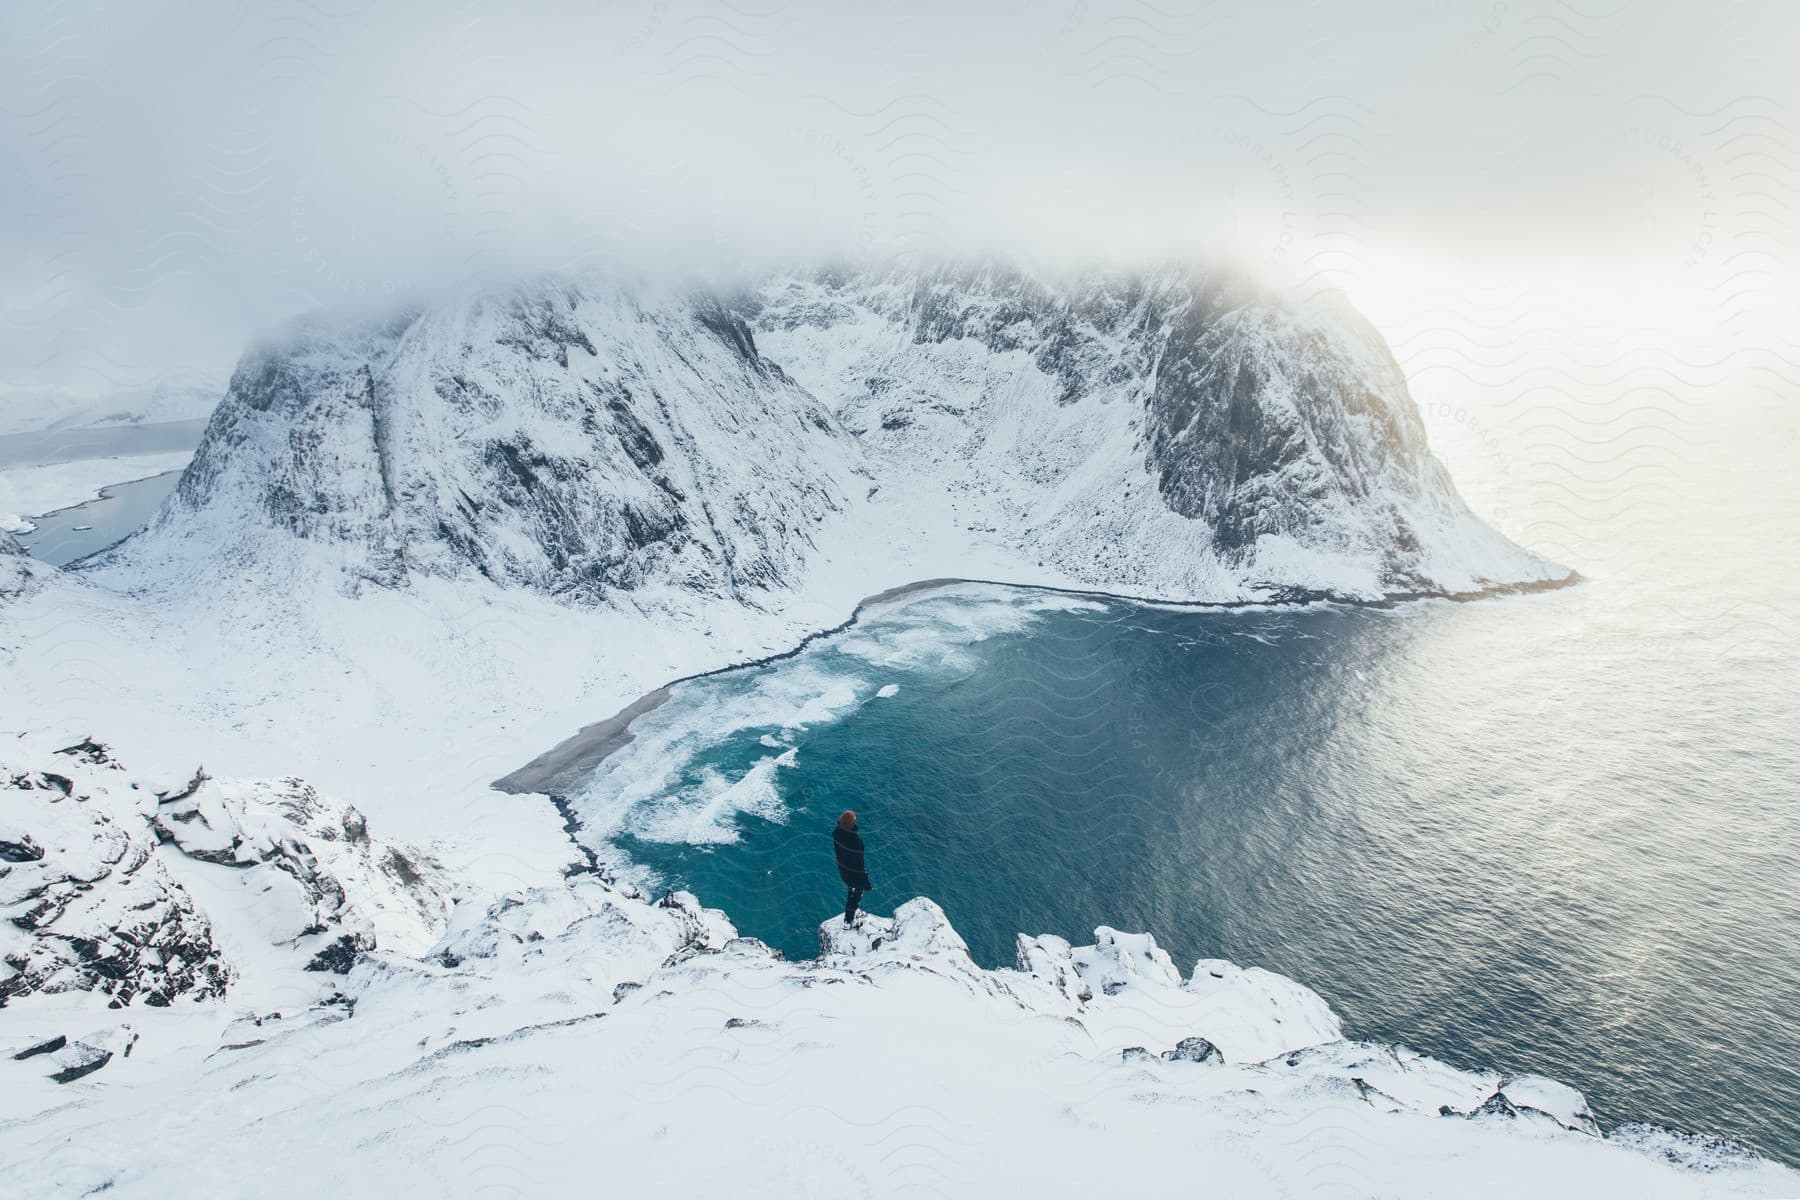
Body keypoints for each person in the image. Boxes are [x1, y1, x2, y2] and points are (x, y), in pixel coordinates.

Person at [833, 809, 874, 926]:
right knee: (855, 896)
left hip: (843, 870)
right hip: (852, 874)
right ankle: (848, 921)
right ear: (852, 824)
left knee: (852, 892)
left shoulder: (836, 833)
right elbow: (859, 866)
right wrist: (866, 884)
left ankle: (849, 916)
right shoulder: (856, 842)